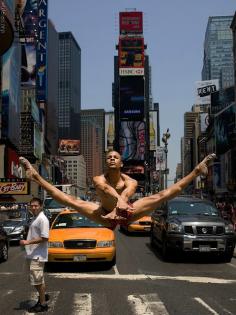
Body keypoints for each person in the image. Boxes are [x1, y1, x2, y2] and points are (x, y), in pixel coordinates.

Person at [19, 152, 216, 229]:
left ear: (121, 163)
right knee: (70, 200)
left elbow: (129, 192)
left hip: (127, 212)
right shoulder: (98, 178)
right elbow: (104, 188)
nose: (112, 159)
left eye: (115, 157)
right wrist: (117, 201)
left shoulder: (130, 180)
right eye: (108, 157)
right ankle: (36, 175)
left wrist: (122, 203)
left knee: (163, 195)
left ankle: (197, 170)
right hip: (104, 214)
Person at [20, 197, 50, 313]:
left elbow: (45, 237)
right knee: (36, 280)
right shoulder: (35, 218)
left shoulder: (43, 219)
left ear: (41, 206)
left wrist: (28, 242)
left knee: (37, 280)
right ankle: (42, 296)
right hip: (32, 254)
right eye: (31, 205)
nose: (33, 207)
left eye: (36, 205)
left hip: (38, 255)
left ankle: (43, 304)